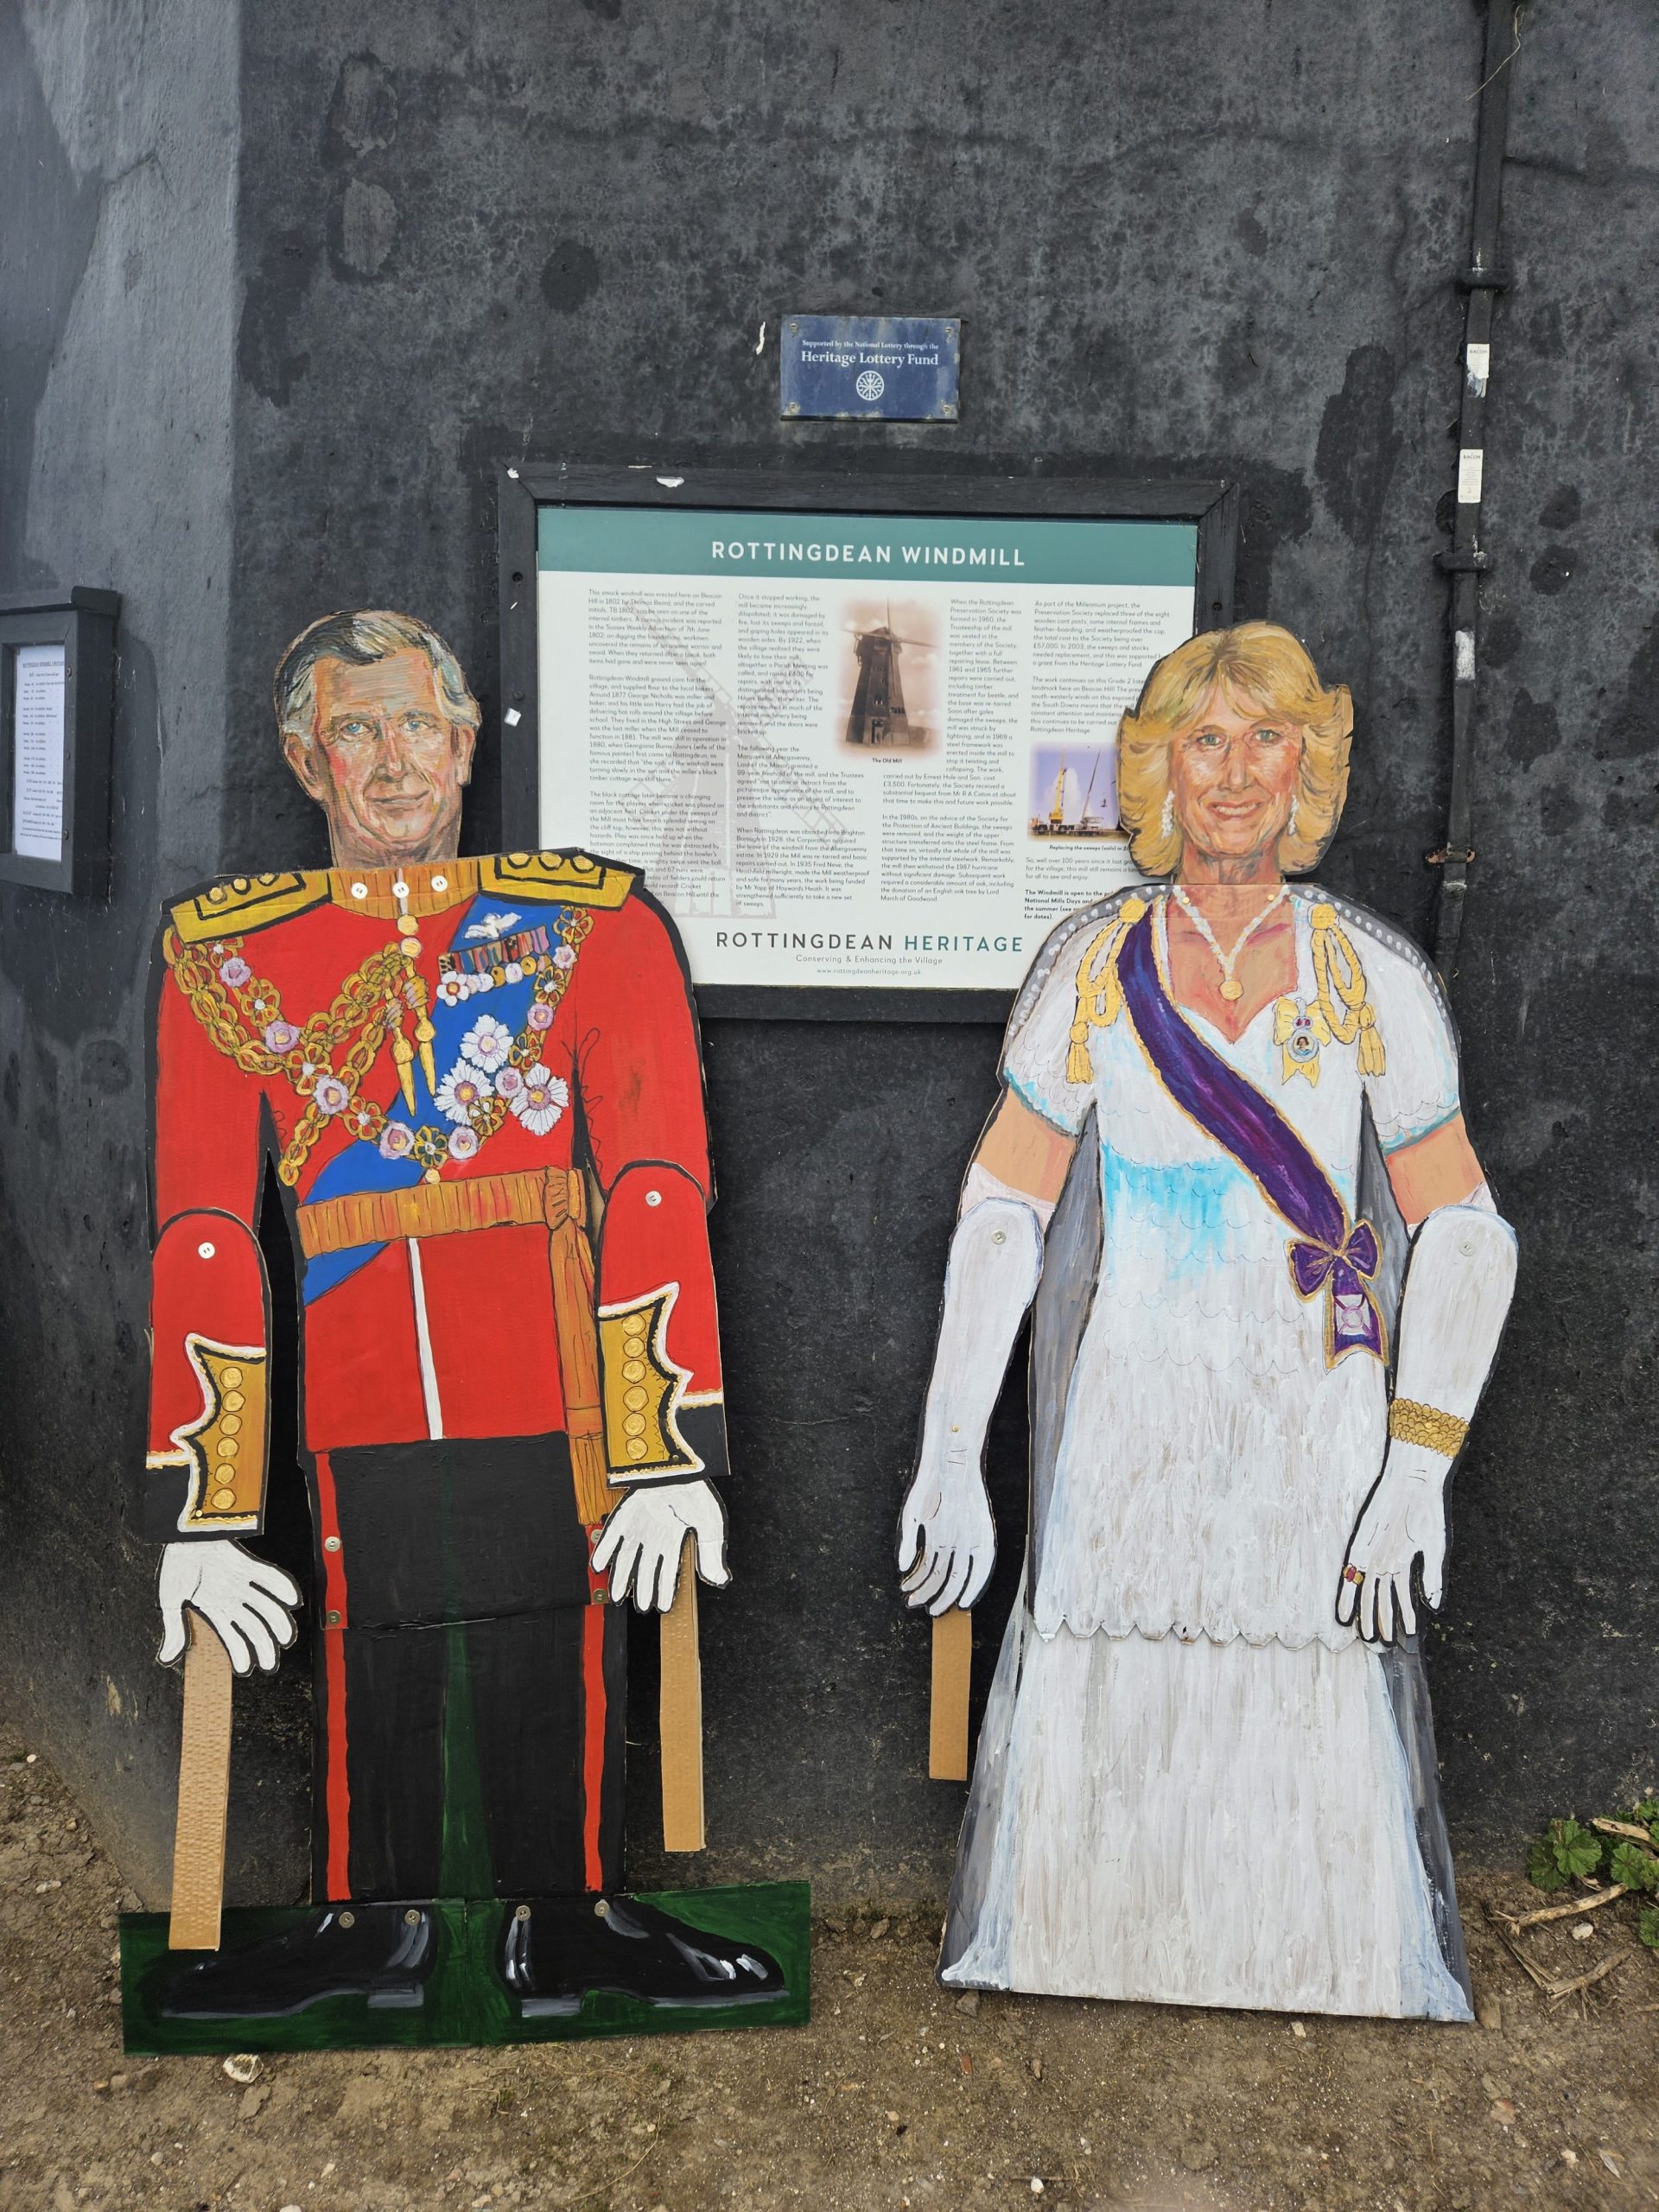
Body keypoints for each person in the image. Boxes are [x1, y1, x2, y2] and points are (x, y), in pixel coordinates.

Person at [145, 608, 783, 2018]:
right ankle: (373, 1933)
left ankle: (569, 1920)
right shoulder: (225, 958)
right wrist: (207, 1508)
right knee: (367, 1642)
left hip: (550, 1369)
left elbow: (657, 1180)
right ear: (306, 762)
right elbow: (205, 1229)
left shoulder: (592, 926)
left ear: (466, 740)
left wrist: (665, 1447)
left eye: (417, 725)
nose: (392, 763)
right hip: (356, 1376)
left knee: (564, 1630)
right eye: (354, 730)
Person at [899, 622, 1516, 2018]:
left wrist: (1417, 1467)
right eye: (1205, 741)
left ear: (1310, 764)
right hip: (1133, 1406)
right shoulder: (1091, 967)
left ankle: (1311, 1957)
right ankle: (1092, 1941)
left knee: (1300, 1674)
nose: (1235, 773)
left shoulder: (1371, 979)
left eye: (1266, 739)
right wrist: (949, 1456)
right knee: (1122, 1660)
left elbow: (1468, 1234)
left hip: (1315, 1415)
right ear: (1158, 770)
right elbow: (1002, 1217)